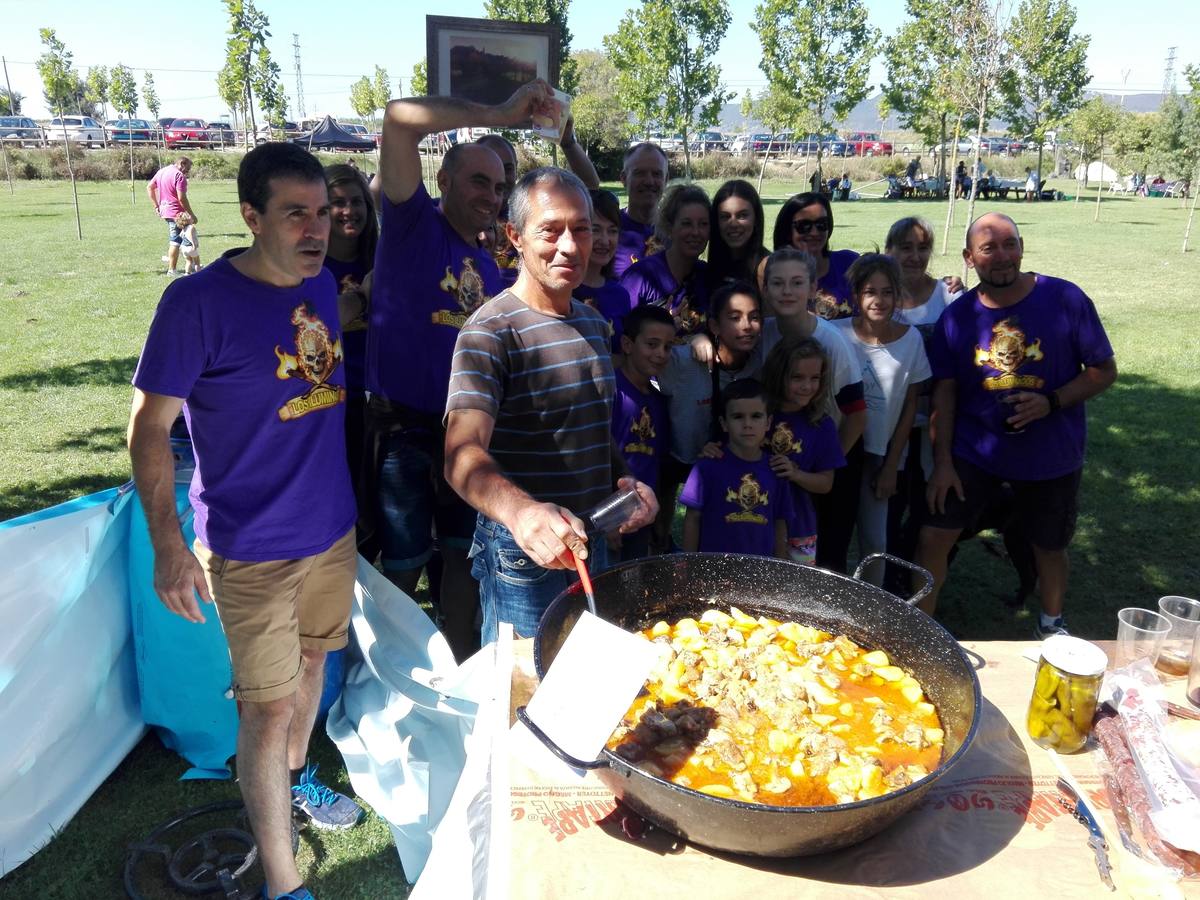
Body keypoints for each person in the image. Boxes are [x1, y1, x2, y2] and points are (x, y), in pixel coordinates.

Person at [128, 143, 363, 900]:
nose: (315, 229)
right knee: (265, 710)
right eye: (295, 213)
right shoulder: (195, 304)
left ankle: (298, 782)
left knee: (315, 668)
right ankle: (285, 886)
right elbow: (146, 427)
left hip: (333, 530)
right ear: (251, 215)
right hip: (252, 548)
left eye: (323, 212)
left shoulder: (320, 283)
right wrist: (168, 542)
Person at [365, 81, 552, 661]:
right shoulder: (410, 223)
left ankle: (461, 664)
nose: (492, 196)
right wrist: (498, 110)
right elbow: (398, 119)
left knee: (457, 553)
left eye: (499, 187)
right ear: (442, 181)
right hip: (399, 425)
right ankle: (385, 671)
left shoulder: (487, 260)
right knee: (402, 558)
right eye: (478, 181)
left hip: (459, 434)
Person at [444, 167, 657, 642]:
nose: (570, 246)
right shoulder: (489, 333)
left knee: (586, 679)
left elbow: (591, 428)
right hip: (524, 553)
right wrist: (522, 513)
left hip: (593, 540)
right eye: (551, 230)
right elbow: (461, 457)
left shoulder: (593, 324)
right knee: (523, 693)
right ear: (515, 236)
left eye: (581, 229)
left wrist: (626, 485)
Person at [915, 212, 1117, 635]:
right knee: (934, 536)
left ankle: (1051, 624)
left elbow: (1103, 369)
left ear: (1022, 248)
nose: (1002, 256)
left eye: (1010, 244)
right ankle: (920, 628)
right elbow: (945, 392)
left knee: (1049, 546)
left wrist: (1052, 401)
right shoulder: (958, 318)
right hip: (975, 454)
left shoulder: (1064, 299)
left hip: (1051, 456)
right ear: (970, 258)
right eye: (989, 248)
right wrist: (943, 463)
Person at [752, 248, 866, 573]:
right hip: (781, 458)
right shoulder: (766, 334)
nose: (787, 291)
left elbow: (857, 413)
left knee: (825, 559)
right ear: (766, 288)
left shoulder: (832, 342)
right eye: (778, 283)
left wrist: (823, 463)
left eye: (797, 282)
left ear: (813, 288)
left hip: (829, 453)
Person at [832, 254, 931, 585]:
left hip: (880, 457)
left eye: (887, 291)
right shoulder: (836, 333)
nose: (879, 300)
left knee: (875, 542)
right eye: (870, 291)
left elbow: (910, 405)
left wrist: (892, 465)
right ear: (857, 295)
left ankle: (871, 607)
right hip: (840, 451)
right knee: (834, 536)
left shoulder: (911, 340)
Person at [653, 282, 763, 553]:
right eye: (735, 318)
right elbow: (644, 366)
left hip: (724, 461)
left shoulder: (760, 365)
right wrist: (691, 338)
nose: (747, 325)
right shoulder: (684, 362)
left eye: (755, 316)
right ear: (714, 326)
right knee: (658, 535)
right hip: (678, 454)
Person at [322, 163, 377, 534]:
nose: (349, 211)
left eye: (357, 201)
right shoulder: (310, 261)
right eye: (337, 202)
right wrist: (362, 296)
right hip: (328, 404)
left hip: (379, 402)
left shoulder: (382, 256)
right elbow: (321, 324)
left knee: (373, 505)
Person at [680, 378, 791, 558]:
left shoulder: (776, 469)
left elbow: (780, 523)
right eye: (738, 416)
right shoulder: (706, 467)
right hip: (713, 572)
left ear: (769, 422)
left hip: (761, 573)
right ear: (724, 423)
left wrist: (779, 568)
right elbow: (692, 519)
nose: (747, 424)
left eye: (756, 416)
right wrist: (688, 564)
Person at [758, 338, 846, 565]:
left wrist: (795, 474)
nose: (807, 386)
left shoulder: (821, 424)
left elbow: (826, 483)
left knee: (793, 592)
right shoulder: (754, 412)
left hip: (798, 524)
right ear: (778, 375)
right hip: (753, 518)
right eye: (797, 377)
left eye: (814, 378)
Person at [611, 305, 675, 560]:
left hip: (641, 515)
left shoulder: (659, 401)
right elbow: (598, 457)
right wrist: (608, 521)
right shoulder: (613, 391)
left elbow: (655, 465)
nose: (660, 353)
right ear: (627, 344)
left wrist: (657, 519)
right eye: (652, 344)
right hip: (609, 514)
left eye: (667, 347)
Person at [619, 183, 711, 338]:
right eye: (686, 224)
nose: (696, 232)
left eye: (703, 224)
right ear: (669, 227)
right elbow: (619, 339)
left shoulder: (708, 276)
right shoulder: (640, 277)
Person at [771, 192, 859, 320]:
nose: (814, 232)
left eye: (821, 224)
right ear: (787, 230)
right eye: (804, 226)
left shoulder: (849, 263)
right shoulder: (775, 274)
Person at [577, 188, 634, 352]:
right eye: (595, 229)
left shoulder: (620, 295)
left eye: (612, 231)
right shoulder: (563, 290)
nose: (605, 240)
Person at [612, 142, 669, 277]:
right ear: (624, 178)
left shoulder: (677, 232)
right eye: (640, 173)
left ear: (666, 179)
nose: (649, 181)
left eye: (656, 174)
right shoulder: (610, 230)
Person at [706, 179, 768, 291]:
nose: (733, 224)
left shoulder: (768, 268)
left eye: (742, 215)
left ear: (756, 219)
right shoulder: (713, 267)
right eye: (725, 216)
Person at [147, 156, 196, 277]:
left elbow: (149, 187)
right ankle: (172, 270)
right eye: (187, 168)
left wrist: (156, 206)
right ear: (182, 164)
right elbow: (181, 198)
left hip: (165, 210)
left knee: (185, 238)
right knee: (176, 241)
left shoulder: (162, 171)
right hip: (176, 212)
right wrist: (191, 214)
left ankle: (193, 266)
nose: (187, 172)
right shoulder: (179, 176)